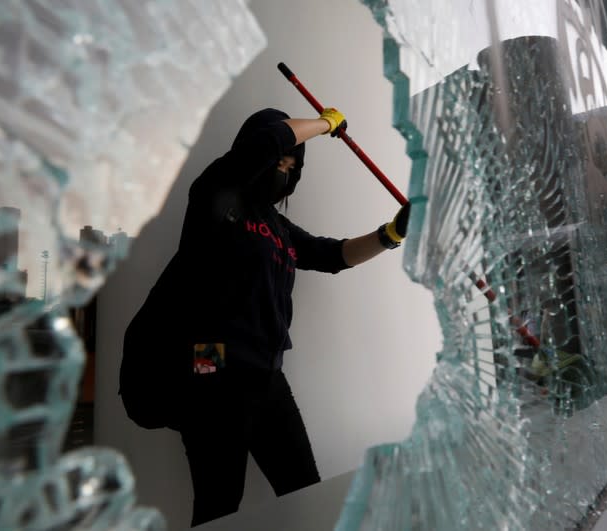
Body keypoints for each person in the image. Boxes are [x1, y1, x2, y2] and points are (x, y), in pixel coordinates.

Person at [121, 107, 410, 526]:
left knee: (304, 491)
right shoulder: (214, 194)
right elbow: (265, 142)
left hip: (266, 373)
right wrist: (324, 124)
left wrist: (390, 234)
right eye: (282, 159)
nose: (286, 169)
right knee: (219, 507)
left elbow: (334, 255)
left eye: (293, 166)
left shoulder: (278, 227)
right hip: (210, 362)